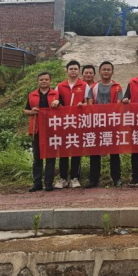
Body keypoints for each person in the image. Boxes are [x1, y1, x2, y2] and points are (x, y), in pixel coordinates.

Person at [85, 61, 125, 188]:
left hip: (112, 123)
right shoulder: (93, 87)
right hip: (96, 123)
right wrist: (97, 118)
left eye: (108, 69)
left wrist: (109, 117)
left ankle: (116, 178)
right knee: (95, 152)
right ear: (100, 72)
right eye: (104, 69)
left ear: (112, 72)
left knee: (114, 152)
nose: (106, 71)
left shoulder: (117, 87)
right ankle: (93, 179)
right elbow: (90, 104)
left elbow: (118, 104)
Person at [24, 71, 60, 192]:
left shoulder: (56, 94)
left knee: (51, 157)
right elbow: (26, 110)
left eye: (46, 79)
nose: (44, 81)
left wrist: (58, 103)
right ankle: (37, 183)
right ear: (38, 82)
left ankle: (49, 183)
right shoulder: (32, 95)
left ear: (50, 81)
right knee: (37, 158)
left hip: (52, 129)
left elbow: (63, 110)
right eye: (41, 80)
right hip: (37, 129)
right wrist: (31, 112)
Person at [55, 60, 87, 189]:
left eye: (75, 69)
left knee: (76, 150)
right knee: (63, 151)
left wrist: (82, 105)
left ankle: (74, 178)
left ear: (79, 71)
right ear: (67, 71)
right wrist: (57, 104)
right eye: (71, 69)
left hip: (78, 123)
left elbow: (88, 102)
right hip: (64, 123)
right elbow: (55, 101)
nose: (73, 71)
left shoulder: (84, 85)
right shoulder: (60, 86)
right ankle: (62, 178)